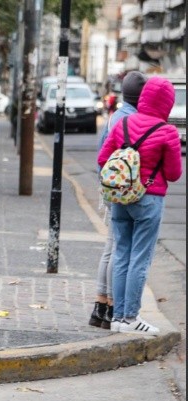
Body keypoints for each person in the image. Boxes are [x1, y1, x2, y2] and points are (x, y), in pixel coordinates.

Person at [97, 76, 183, 334]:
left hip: (120, 198)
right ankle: (131, 317)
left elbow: (103, 159)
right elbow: (174, 173)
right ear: (167, 103)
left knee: (121, 254)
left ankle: (117, 318)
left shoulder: (122, 122)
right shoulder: (167, 131)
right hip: (149, 199)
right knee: (140, 259)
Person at [90, 71, 146, 330]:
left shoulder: (115, 116)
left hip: (110, 185)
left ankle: (100, 305)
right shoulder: (135, 119)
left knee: (110, 247)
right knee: (119, 248)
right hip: (126, 189)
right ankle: (112, 305)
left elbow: (102, 151)